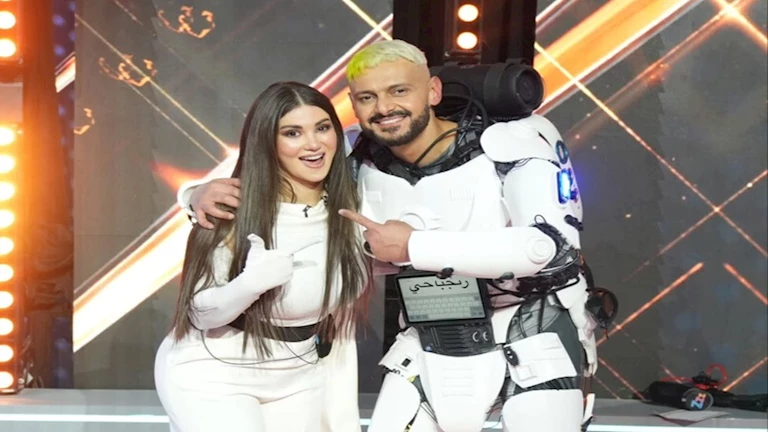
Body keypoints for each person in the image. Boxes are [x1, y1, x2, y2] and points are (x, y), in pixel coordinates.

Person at [180, 40, 609, 431]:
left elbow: (549, 247)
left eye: (399, 91)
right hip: (431, 331)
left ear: (433, 92)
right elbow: (278, 180)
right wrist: (195, 194)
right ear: (354, 104)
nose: (384, 107)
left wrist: (413, 246)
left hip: (532, 325)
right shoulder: (356, 156)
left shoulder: (510, 143)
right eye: (367, 97)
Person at [155, 81, 368, 432]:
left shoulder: (355, 203)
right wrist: (249, 285)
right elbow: (199, 313)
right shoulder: (232, 207)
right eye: (292, 133)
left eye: (322, 128)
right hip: (214, 373)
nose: (313, 144)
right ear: (267, 141)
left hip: (299, 374)